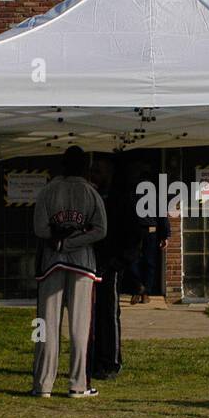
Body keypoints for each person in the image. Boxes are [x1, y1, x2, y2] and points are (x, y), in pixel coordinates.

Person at [32, 146, 108, 397]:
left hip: (51, 262)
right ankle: (78, 385)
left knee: (45, 324)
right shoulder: (91, 193)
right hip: (83, 264)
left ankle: (43, 384)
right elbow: (100, 230)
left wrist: (60, 240)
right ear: (85, 167)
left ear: (62, 165)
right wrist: (74, 240)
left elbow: (40, 229)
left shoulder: (48, 191)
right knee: (80, 326)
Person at [88, 154, 140, 380]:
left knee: (108, 312)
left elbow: (133, 235)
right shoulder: (95, 196)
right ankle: (96, 358)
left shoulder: (120, 199)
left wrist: (118, 262)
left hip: (111, 264)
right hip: (94, 262)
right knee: (94, 313)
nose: (95, 175)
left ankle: (110, 361)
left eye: (99, 170)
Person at [128, 163, 169, 305]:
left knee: (133, 260)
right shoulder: (155, 196)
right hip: (151, 231)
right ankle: (146, 292)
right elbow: (162, 216)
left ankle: (138, 287)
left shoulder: (132, 194)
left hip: (135, 230)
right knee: (149, 263)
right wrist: (165, 235)